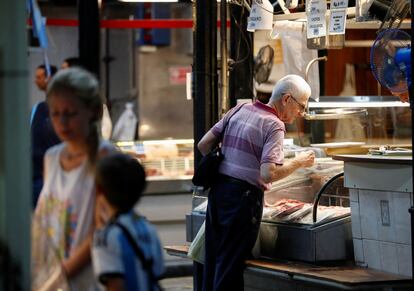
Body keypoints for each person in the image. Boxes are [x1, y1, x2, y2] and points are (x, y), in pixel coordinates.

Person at [198, 74, 315, 291]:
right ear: (287, 99)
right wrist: (299, 162)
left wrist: (231, 160)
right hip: (243, 201)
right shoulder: (274, 125)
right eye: (301, 106)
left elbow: (204, 145)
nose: (301, 113)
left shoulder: (240, 109)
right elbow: (268, 173)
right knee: (230, 267)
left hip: (218, 194)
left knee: (213, 261)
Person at [31, 67, 116, 291]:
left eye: (71, 113)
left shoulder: (105, 159)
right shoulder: (52, 157)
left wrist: (60, 276)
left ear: (94, 111)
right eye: (55, 114)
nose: (62, 122)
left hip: (87, 281)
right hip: (49, 276)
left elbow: (99, 233)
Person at [92, 153, 165, 291]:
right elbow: (158, 272)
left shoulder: (105, 236)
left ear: (99, 190)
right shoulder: (149, 229)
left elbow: (115, 285)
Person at [31, 64, 60, 208]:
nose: (36, 81)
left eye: (39, 77)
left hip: (52, 173)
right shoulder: (40, 108)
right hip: (37, 172)